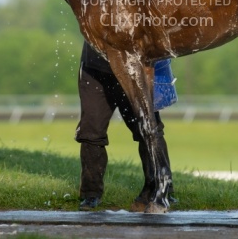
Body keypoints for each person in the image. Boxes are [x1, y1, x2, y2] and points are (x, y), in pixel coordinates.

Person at [75, 41, 177, 211]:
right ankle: (90, 194)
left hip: (133, 68)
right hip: (96, 71)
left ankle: (163, 188)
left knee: (149, 129)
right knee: (91, 131)